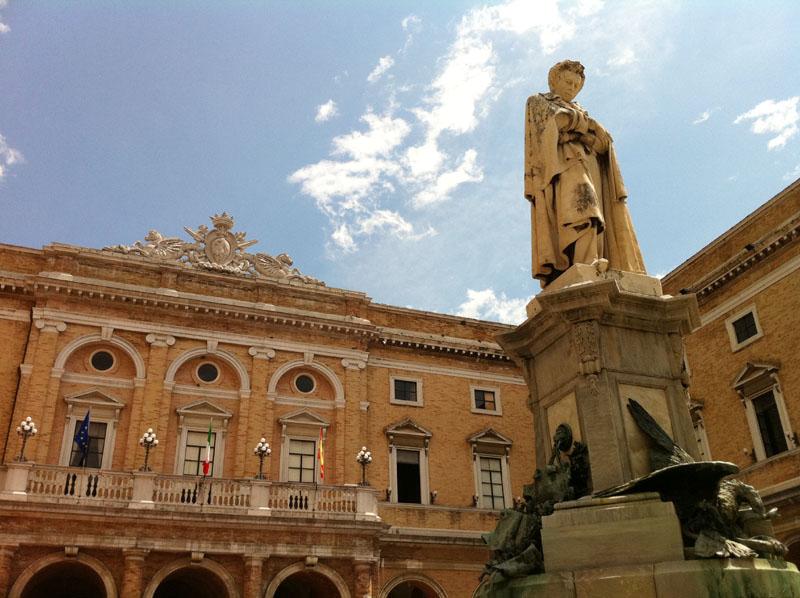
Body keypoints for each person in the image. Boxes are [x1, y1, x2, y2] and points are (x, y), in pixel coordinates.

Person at [524, 60, 646, 287]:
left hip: (591, 167)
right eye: (568, 82)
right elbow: (554, 124)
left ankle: (592, 260)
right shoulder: (538, 101)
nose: (572, 88)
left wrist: (581, 130)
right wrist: (588, 127)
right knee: (584, 208)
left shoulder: (581, 111)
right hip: (562, 167)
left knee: (596, 213)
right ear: (554, 81)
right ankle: (586, 262)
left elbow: (602, 143)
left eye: (576, 85)